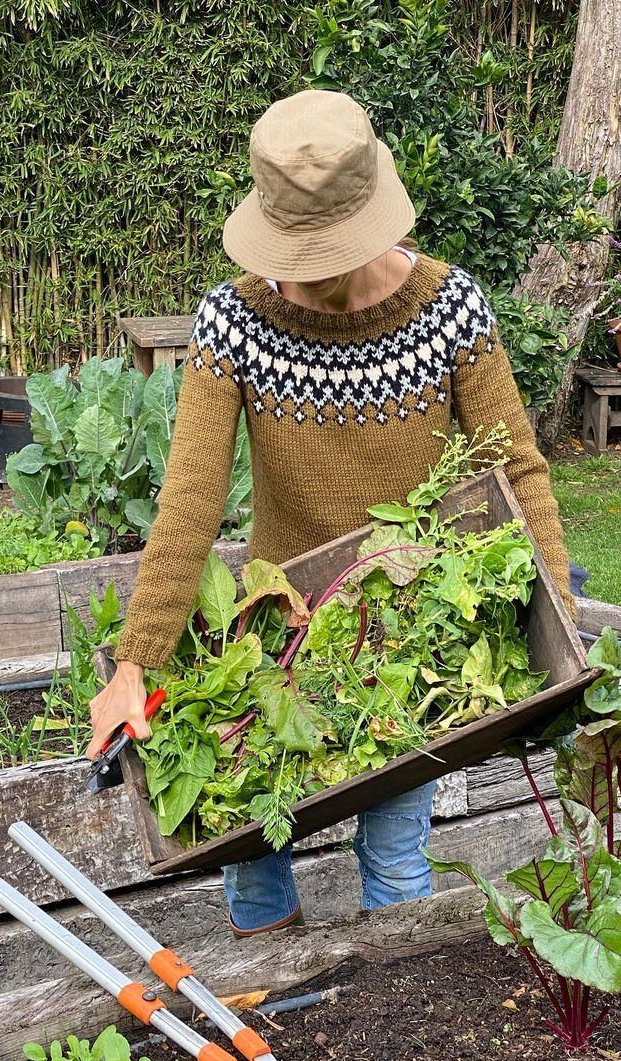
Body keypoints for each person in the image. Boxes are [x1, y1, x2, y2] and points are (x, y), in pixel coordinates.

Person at [86, 89, 574, 936]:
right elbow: (191, 501)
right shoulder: (230, 323)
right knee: (250, 860)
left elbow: (515, 470)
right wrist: (136, 662)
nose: (309, 272)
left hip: (408, 633)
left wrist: (557, 617)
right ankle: (277, 1026)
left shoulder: (451, 309)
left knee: (394, 858)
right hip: (275, 633)